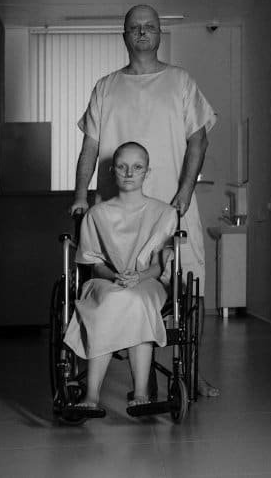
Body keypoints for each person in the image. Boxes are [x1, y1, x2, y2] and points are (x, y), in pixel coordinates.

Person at [69, 3, 221, 397]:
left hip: (171, 208)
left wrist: (184, 192)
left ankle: (193, 373)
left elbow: (198, 138)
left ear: (159, 34)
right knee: (119, 287)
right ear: (124, 36)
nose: (142, 32)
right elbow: (90, 147)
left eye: (150, 27)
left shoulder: (181, 81)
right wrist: (81, 196)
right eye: (134, 27)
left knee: (190, 290)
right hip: (117, 214)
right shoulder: (106, 86)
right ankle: (121, 375)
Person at [63, 142, 177, 417]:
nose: (129, 173)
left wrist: (138, 276)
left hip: (148, 282)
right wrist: (116, 276)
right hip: (106, 281)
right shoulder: (97, 214)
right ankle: (91, 395)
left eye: (137, 167)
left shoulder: (164, 213)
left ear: (146, 172)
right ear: (113, 170)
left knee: (138, 301)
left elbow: (161, 262)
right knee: (111, 299)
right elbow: (93, 263)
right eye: (123, 167)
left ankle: (140, 394)